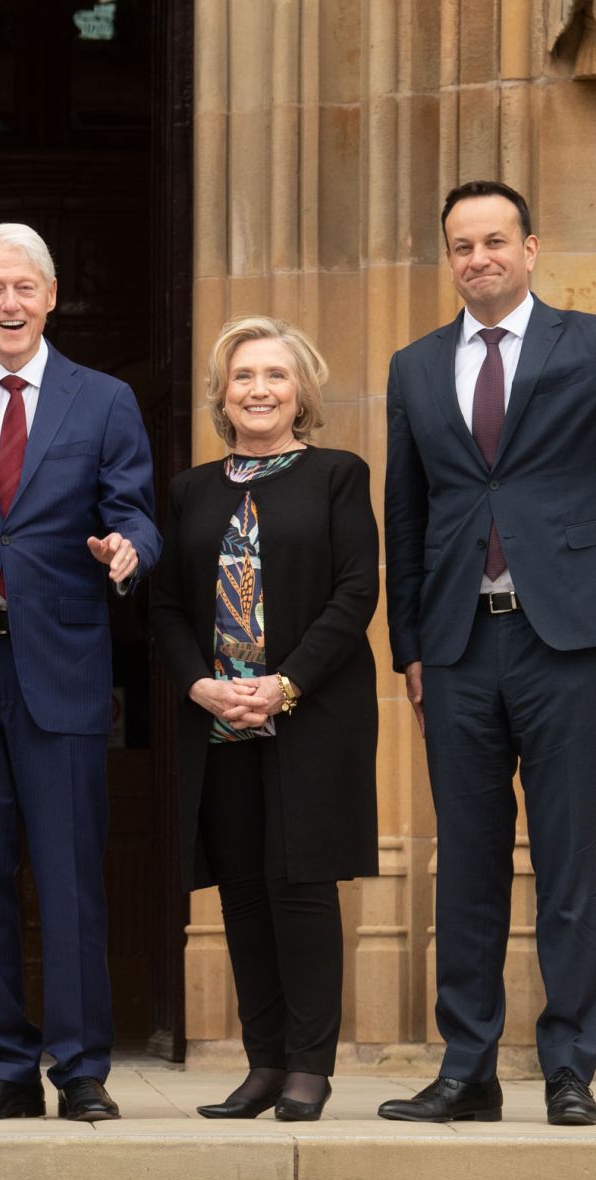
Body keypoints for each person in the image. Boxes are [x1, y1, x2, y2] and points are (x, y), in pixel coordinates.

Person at [379, 183, 596, 1127]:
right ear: (449, 258)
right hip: (456, 645)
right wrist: (410, 647)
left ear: (531, 249)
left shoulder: (593, 342)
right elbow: (406, 515)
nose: (479, 257)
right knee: (468, 863)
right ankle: (467, 1069)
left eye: (496, 240)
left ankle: (569, 1067)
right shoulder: (415, 367)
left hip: (565, 637)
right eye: (463, 245)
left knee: (567, 859)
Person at [0, 223, 159, 1121]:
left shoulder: (105, 399)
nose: (9, 303)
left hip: (63, 662)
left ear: (51, 297)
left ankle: (81, 1068)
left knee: (70, 873)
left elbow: (135, 509)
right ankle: (5, 1068)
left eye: (25, 287)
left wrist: (129, 547)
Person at [150, 316, 378, 1123]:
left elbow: (356, 591)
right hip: (219, 722)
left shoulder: (338, 475)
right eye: (243, 376)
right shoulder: (191, 490)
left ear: (301, 391)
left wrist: (286, 684)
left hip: (309, 713)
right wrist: (198, 685)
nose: (258, 390)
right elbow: (166, 604)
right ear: (222, 395)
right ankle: (265, 1063)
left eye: (275, 375)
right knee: (243, 893)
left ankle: (311, 1066)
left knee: (302, 886)